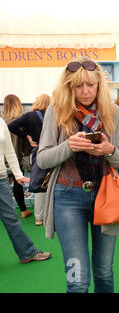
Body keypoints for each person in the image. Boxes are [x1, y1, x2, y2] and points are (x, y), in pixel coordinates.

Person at [37, 57, 119, 293]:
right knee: (77, 281)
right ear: (69, 87)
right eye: (78, 85)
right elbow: (42, 158)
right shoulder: (56, 111)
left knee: (104, 272)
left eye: (90, 85)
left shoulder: (114, 113)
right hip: (67, 196)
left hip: (106, 196)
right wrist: (69, 145)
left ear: (99, 85)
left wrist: (109, 150)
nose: (85, 91)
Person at [0, 116, 51, 264]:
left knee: (11, 218)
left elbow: (8, 150)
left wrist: (17, 175)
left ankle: (27, 252)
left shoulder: (1, 122)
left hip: (2, 178)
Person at [8, 93, 52, 226]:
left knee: (38, 183)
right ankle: (50, 216)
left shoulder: (29, 116)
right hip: (52, 152)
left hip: (36, 152)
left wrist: (26, 136)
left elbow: (11, 126)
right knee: (53, 184)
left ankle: (39, 217)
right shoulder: (53, 115)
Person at [2, 94, 32, 219]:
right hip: (17, 155)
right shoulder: (21, 120)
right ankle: (23, 210)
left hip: (2, 157)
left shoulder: (2, 121)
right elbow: (26, 141)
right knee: (17, 182)